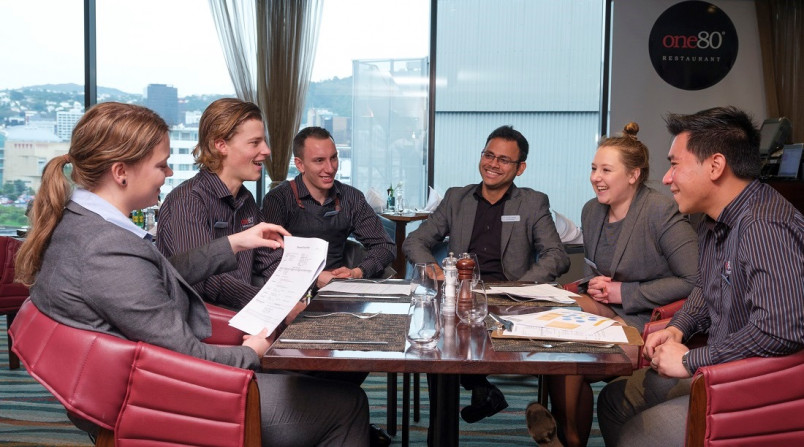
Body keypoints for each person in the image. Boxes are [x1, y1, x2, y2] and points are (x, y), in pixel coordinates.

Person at [15, 102, 369, 447]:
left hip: (140, 381)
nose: (169, 174)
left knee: (317, 381)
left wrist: (231, 244)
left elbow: (157, 275)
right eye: (162, 165)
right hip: (158, 398)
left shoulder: (82, 227)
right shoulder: (107, 249)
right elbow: (185, 354)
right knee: (348, 405)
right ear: (121, 172)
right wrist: (252, 353)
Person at [597, 106, 804, 446]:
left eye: (675, 164)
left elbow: (778, 330)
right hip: (722, 368)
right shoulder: (713, 220)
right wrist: (680, 327)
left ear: (715, 166)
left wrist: (692, 359)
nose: (666, 177)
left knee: (640, 434)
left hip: (758, 387)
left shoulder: (763, 226)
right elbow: (706, 289)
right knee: (614, 401)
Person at [403, 125, 571, 424]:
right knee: (435, 344)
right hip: (460, 296)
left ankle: (479, 389)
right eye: (488, 155)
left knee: (457, 339)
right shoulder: (457, 198)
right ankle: (445, 427)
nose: (493, 164)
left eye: (504, 160)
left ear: (520, 168)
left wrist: (520, 288)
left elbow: (556, 255)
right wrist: (436, 271)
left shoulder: (532, 203)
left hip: (507, 298)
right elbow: (415, 240)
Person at [546, 123, 698, 447]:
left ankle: (570, 438)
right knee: (557, 323)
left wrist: (624, 292)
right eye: (593, 168)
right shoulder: (591, 211)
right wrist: (596, 284)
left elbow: (694, 278)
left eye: (605, 170)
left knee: (572, 353)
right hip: (610, 305)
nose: (595, 177)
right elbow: (599, 269)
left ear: (633, 175)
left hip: (651, 315)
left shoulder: (660, 209)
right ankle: (568, 434)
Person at [157, 98, 280, 310]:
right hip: (207, 327)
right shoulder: (188, 200)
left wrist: (314, 279)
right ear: (221, 145)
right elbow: (204, 280)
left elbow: (269, 259)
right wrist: (269, 305)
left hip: (244, 318)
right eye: (255, 143)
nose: (267, 150)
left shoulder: (246, 200)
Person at [262, 126, 395, 289]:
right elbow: (267, 258)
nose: (330, 168)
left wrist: (358, 272)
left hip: (340, 287)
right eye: (319, 160)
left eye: (333, 158)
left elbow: (385, 246)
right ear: (299, 164)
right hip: (290, 290)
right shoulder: (278, 199)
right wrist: (314, 278)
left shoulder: (351, 197)